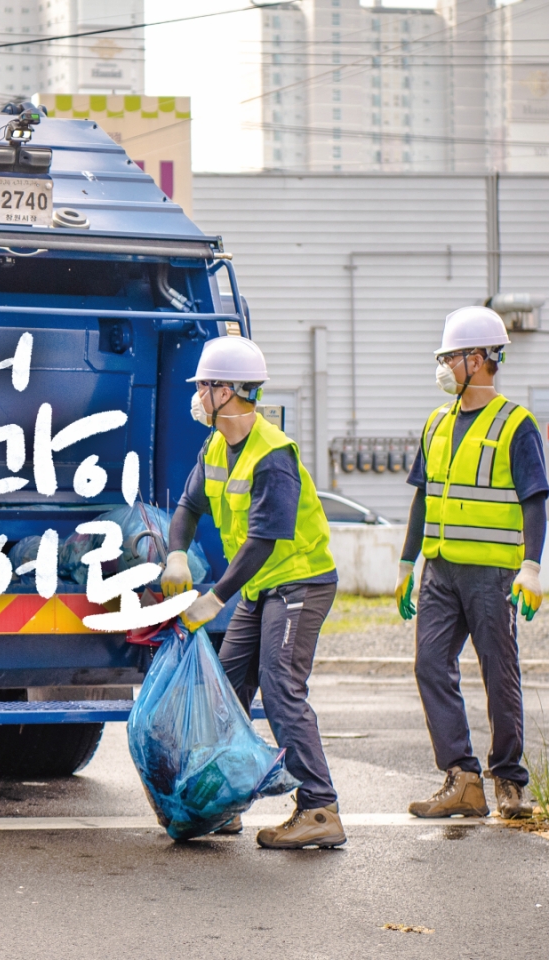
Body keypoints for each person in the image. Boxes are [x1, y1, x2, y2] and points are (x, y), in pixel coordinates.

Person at [160, 336, 345, 849]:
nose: (197, 395)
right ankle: (226, 802)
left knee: (280, 686)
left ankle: (320, 808)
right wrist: (176, 554)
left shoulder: (273, 455)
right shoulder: (216, 446)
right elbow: (188, 506)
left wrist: (215, 598)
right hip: (261, 587)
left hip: (300, 582)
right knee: (225, 689)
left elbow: (263, 540)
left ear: (227, 391)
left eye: (203, 385)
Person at [396, 306, 549, 820]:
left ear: (479, 359)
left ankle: (508, 778)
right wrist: (406, 563)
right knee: (429, 665)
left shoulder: (516, 425)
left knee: (498, 671)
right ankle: (462, 778)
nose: (443, 367)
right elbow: (423, 496)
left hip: (492, 574)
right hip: (439, 570)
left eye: (451, 357)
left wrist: (531, 567)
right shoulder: (436, 423)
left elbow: (534, 500)